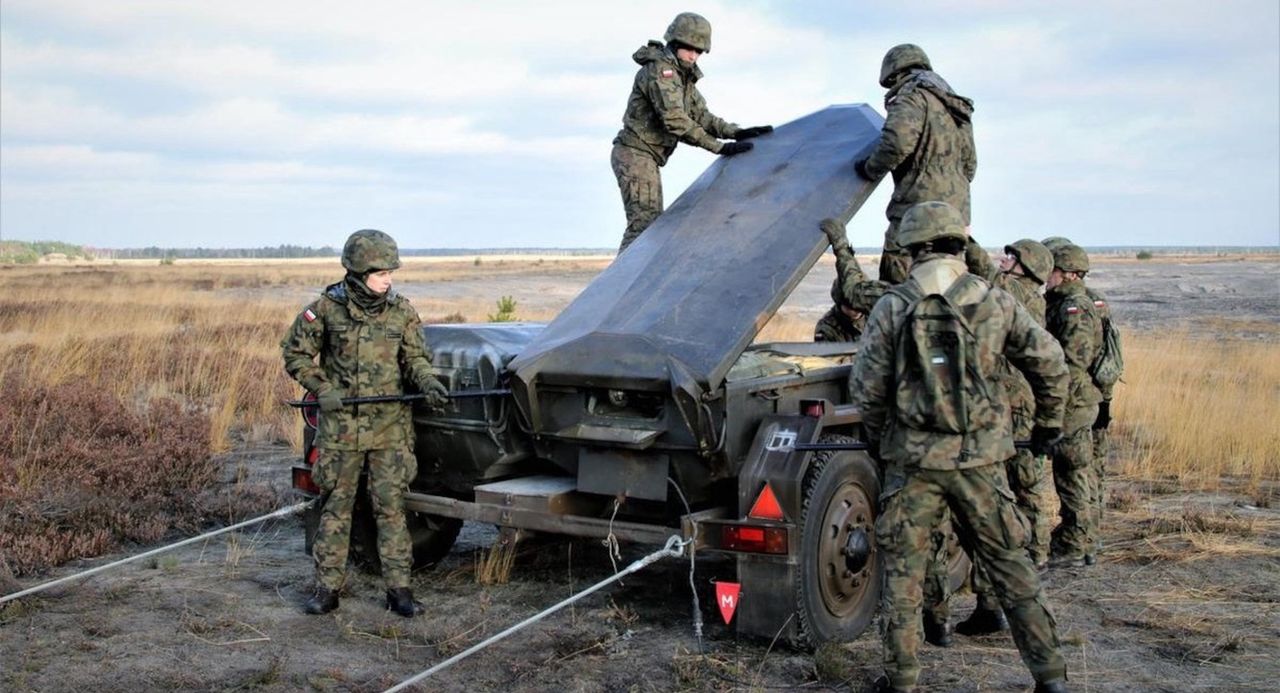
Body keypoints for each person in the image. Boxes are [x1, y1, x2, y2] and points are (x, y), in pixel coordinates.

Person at [850, 201, 1070, 693]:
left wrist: (881, 439)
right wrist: (1048, 426)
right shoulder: (995, 300)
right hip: (982, 462)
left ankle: (903, 680)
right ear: (958, 244)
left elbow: (866, 389)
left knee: (903, 576)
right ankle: (1051, 677)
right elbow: (1050, 363)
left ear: (912, 249)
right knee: (1012, 568)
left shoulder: (893, 305)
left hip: (913, 463)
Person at [281, 229, 450, 617]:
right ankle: (327, 590)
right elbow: (295, 354)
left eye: (391, 272)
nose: (388, 279)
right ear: (358, 272)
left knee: (391, 510)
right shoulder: (324, 310)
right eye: (381, 273)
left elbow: (416, 360)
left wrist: (428, 382)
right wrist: (322, 387)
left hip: (389, 431)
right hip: (341, 432)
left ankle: (399, 592)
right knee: (335, 509)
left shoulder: (402, 312)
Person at [956, 238, 1056, 637]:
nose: (1004, 260)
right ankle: (1034, 560)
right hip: (1022, 408)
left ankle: (994, 600)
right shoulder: (1029, 295)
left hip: (1009, 411)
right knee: (1027, 490)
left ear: (1025, 267)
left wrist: (962, 235)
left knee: (997, 500)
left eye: (1011, 257)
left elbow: (983, 270)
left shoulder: (1014, 291)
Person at [611, 11, 772, 251]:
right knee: (643, 226)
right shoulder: (661, 73)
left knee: (647, 226)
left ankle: (628, 285)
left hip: (645, 156)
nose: (694, 56)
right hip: (635, 153)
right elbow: (675, 120)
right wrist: (719, 147)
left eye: (699, 52)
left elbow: (702, 116)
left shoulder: (681, 78)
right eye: (690, 49)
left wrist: (736, 132)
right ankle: (618, 286)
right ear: (675, 44)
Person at [852, 44, 977, 286]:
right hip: (956, 211)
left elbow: (897, 143)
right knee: (951, 283)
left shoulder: (911, 93)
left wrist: (869, 168)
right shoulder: (955, 105)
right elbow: (970, 165)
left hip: (916, 208)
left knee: (898, 285)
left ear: (895, 73)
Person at [1043, 236, 1118, 542]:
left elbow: (1074, 362)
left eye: (1051, 269)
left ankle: (1078, 540)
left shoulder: (1073, 307)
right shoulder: (1089, 301)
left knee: (1073, 472)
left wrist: (1055, 402)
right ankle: (1088, 534)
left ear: (1067, 272)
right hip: (1094, 398)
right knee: (1088, 470)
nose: (1046, 276)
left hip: (1076, 403)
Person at [813, 218, 888, 342]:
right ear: (839, 302)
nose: (855, 309)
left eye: (858, 303)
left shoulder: (876, 317)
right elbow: (826, 360)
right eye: (850, 305)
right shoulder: (827, 327)